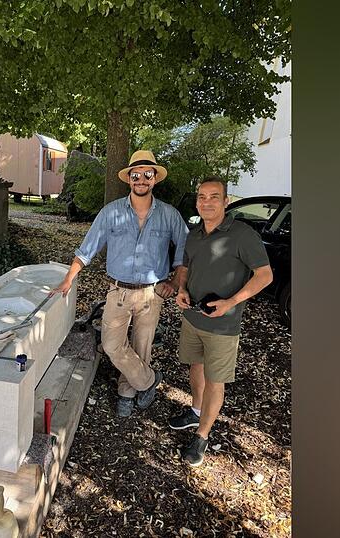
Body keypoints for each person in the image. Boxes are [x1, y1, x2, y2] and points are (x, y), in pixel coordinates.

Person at [51, 150, 189, 417]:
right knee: (113, 346)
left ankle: (127, 393)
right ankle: (149, 381)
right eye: (136, 175)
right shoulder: (111, 212)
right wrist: (68, 278)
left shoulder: (170, 215)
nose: (141, 179)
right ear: (129, 179)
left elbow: (185, 251)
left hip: (151, 293)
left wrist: (175, 281)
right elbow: (86, 249)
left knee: (141, 346)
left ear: (154, 179)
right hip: (118, 292)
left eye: (147, 174)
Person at [169, 177, 274, 466]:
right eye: (202, 197)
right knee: (196, 367)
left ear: (226, 201)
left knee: (216, 381)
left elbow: (265, 276)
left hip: (223, 326)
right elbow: (186, 268)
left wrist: (231, 302)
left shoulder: (242, 235)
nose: (206, 202)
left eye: (214, 197)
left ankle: (202, 435)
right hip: (193, 318)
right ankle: (195, 411)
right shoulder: (194, 234)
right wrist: (181, 290)